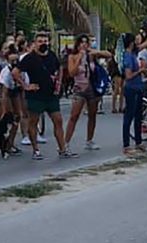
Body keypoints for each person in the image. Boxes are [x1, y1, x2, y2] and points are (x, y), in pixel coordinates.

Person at [18, 32, 73, 161]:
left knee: (58, 120)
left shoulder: (52, 55)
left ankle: (62, 149)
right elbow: (16, 72)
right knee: (33, 121)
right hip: (36, 95)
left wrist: (58, 83)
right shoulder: (29, 58)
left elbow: (59, 68)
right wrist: (26, 86)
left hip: (51, 95)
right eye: (40, 41)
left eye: (45, 41)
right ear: (35, 43)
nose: (43, 43)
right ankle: (36, 150)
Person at [64, 35, 111, 151]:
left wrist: (95, 52)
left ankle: (89, 140)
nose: (83, 45)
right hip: (79, 88)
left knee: (92, 114)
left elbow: (108, 55)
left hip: (92, 88)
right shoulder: (72, 56)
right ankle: (65, 143)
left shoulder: (91, 56)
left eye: (86, 42)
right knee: (74, 115)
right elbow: (72, 72)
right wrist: (79, 58)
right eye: (81, 42)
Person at [120, 32, 147, 156]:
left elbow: (145, 44)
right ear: (131, 43)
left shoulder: (133, 54)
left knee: (138, 116)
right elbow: (128, 75)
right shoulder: (128, 57)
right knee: (129, 116)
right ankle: (126, 145)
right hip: (132, 88)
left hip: (138, 88)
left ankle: (138, 141)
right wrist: (140, 70)